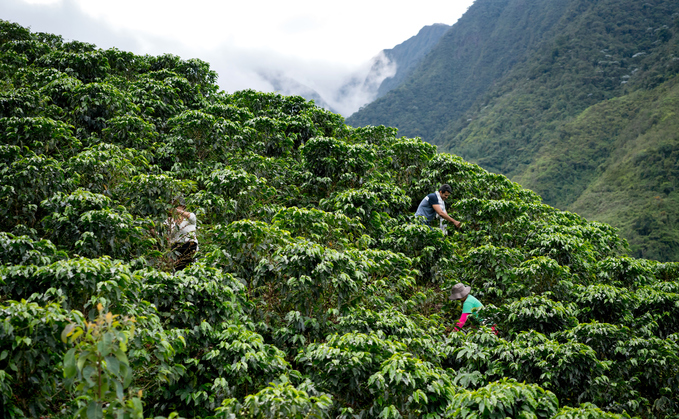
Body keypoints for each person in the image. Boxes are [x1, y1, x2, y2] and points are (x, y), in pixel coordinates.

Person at [165, 197, 198, 271]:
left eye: (177, 206)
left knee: (190, 269)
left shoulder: (189, 218)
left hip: (189, 246)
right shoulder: (169, 221)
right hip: (176, 248)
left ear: (183, 207)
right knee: (177, 270)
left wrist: (178, 211)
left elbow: (191, 217)